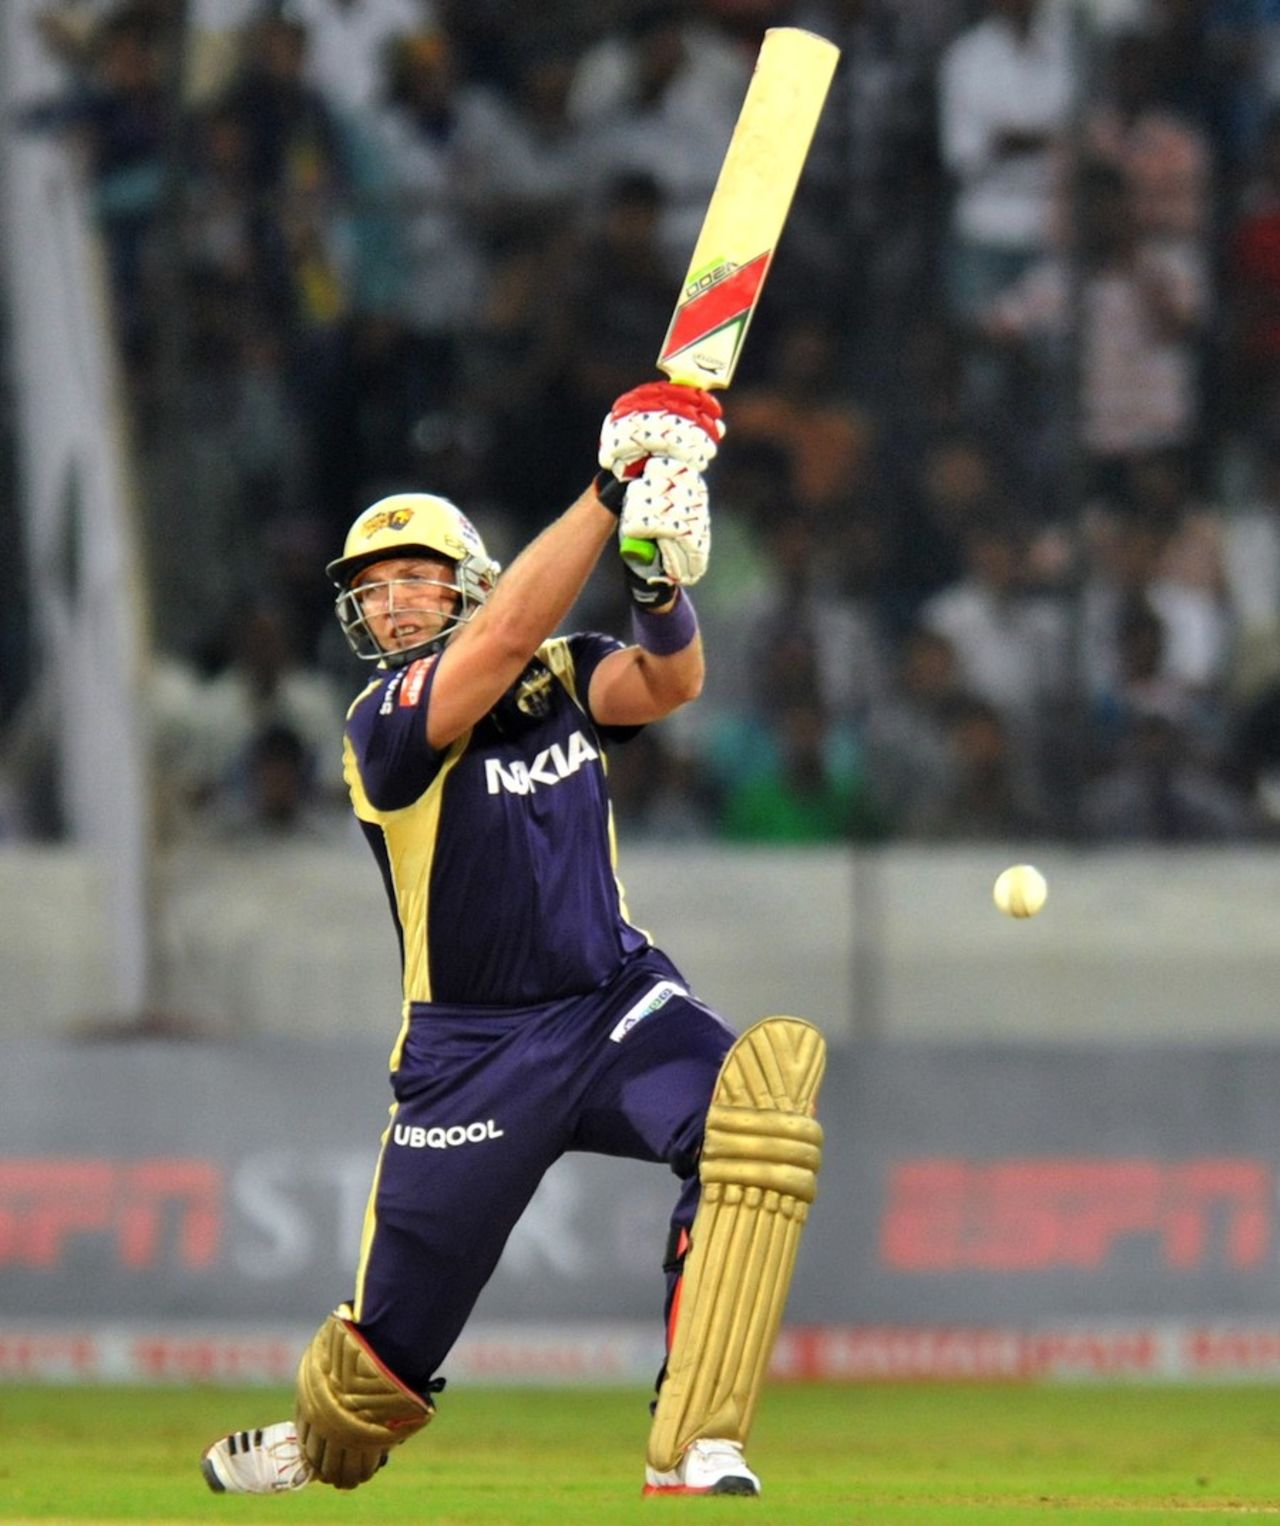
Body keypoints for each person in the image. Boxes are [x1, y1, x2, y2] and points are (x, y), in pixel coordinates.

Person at [197, 381, 826, 1499]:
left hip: (612, 1000)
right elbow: (495, 641)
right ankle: (315, 1437)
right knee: (370, 1391)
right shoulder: (380, 727)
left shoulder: (560, 673)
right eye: (372, 591)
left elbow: (670, 680)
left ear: (465, 574)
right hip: (472, 1051)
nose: (391, 606)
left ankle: (695, 1439)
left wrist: (651, 577)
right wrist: (606, 486)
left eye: (413, 580)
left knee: (754, 1113)